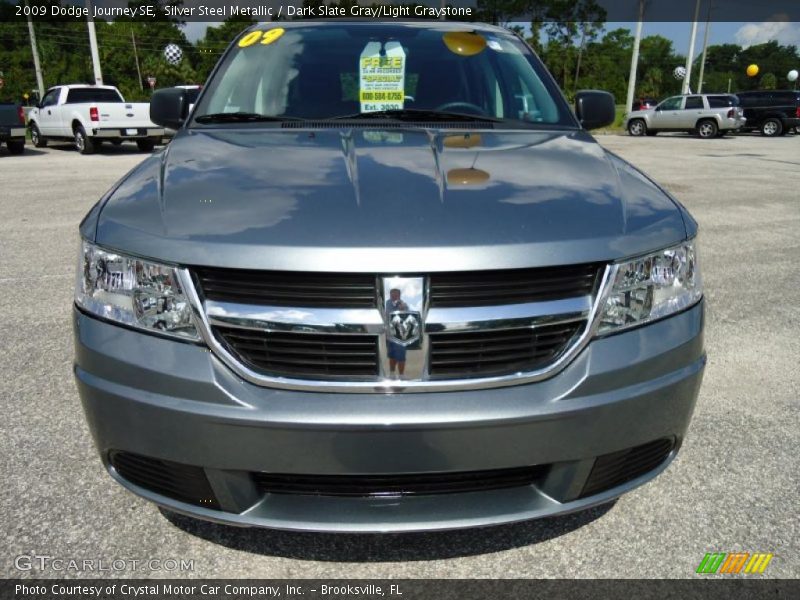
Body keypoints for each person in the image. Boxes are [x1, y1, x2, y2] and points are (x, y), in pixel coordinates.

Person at [385, 288, 408, 378]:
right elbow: (388, 314)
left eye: (396, 294)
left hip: (400, 335)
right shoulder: (388, 303)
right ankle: (392, 374)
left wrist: (403, 309)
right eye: (392, 294)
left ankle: (401, 375)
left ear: (399, 295)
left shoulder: (404, 304)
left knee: (401, 356)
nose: (393, 296)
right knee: (392, 355)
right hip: (390, 335)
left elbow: (407, 316)